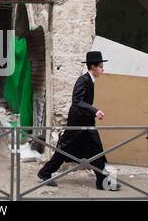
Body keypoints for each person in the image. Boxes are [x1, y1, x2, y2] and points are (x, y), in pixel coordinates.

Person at [37, 51, 121, 191]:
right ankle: (45, 172)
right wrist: (95, 111)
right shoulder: (83, 80)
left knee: (96, 150)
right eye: (100, 66)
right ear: (92, 67)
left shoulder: (90, 80)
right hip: (77, 124)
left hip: (86, 123)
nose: (102, 69)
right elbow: (77, 101)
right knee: (64, 150)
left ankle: (102, 182)